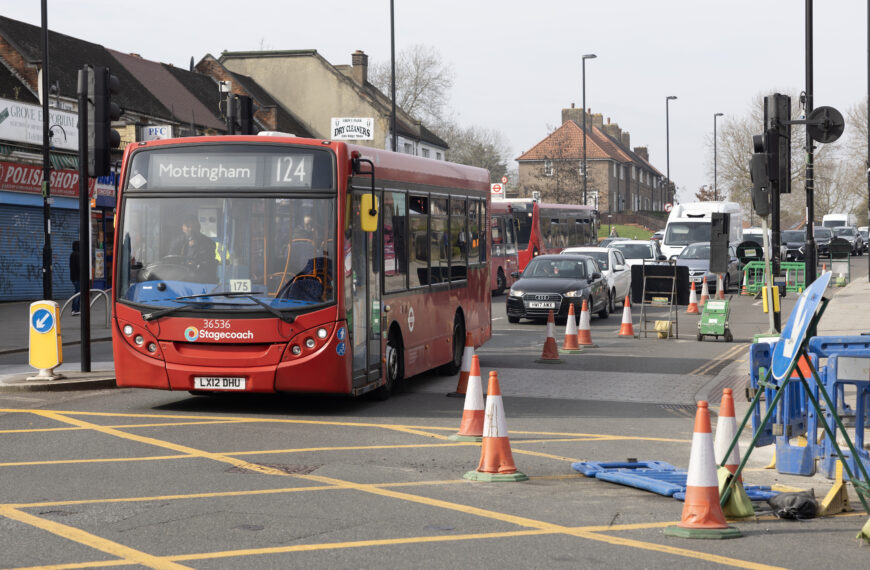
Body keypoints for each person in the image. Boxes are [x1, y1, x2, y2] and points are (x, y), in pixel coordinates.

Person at [170, 215, 215, 280]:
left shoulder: (208, 243)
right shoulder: (177, 242)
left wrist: (194, 246)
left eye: (194, 227)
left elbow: (208, 264)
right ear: (183, 228)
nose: (191, 229)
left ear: (199, 227)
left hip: (201, 279)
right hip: (179, 278)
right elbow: (171, 260)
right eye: (188, 226)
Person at [70, 241, 80, 315]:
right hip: (78, 277)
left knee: (77, 292)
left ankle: (74, 309)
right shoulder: (78, 255)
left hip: (73, 277)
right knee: (78, 293)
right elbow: (79, 267)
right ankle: (75, 309)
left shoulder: (72, 254)